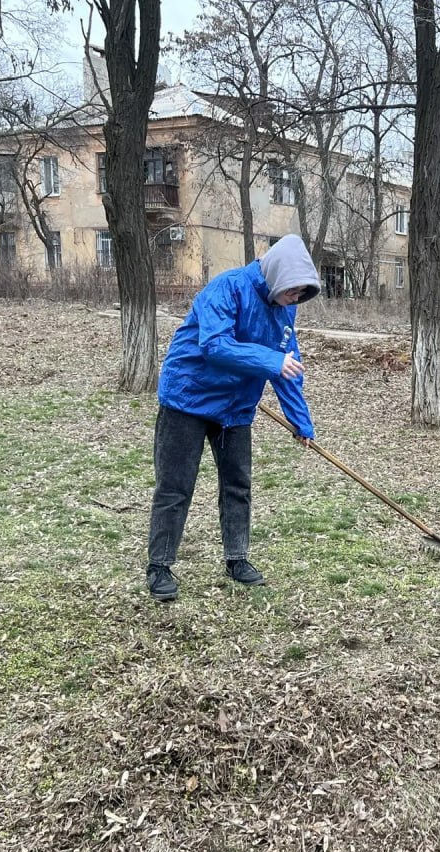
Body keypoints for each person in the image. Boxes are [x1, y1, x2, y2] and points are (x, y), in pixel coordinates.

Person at [145, 234, 321, 601]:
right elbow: (215, 346)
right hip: (188, 400)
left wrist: (300, 423)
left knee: (237, 486)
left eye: (302, 294)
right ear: (276, 276)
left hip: (236, 408)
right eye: (293, 291)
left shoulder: (285, 308)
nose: (296, 299)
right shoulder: (226, 288)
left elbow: (287, 367)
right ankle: (159, 566)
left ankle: (237, 559)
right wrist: (271, 361)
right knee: (175, 487)